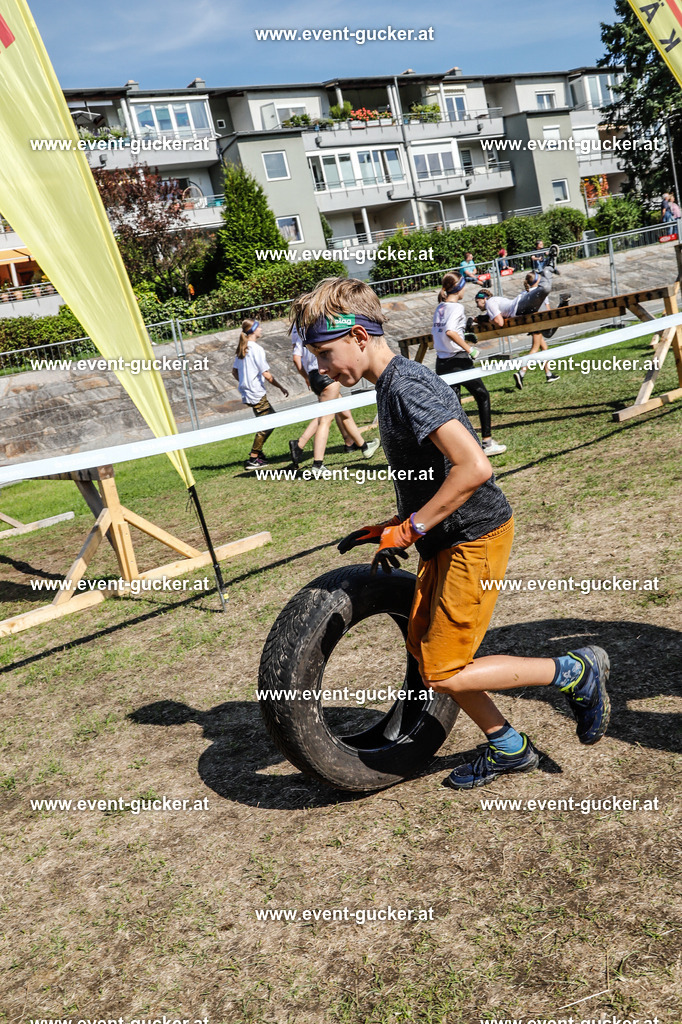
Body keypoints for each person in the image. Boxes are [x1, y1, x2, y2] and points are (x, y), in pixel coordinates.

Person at [292, 276, 611, 789]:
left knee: (442, 671)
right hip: (444, 539)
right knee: (427, 652)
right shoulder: (388, 386)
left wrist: (414, 525)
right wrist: (400, 527)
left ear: (357, 336)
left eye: (326, 354)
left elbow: (473, 467)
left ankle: (572, 671)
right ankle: (509, 747)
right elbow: (434, 474)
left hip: (474, 538)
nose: (322, 369)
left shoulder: (408, 385)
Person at [288, 324, 380, 477]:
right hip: (326, 376)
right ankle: (317, 463)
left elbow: (296, 358)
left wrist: (306, 377)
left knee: (344, 412)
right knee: (325, 419)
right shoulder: (322, 326)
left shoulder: (300, 332)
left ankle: (364, 446)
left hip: (313, 376)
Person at [432, 273, 506, 456]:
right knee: (482, 396)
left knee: (453, 408)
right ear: (459, 288)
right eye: (464, 286)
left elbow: (444, 332)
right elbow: (450, 331)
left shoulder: (440, 307)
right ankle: (487, 443)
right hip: (458, 360)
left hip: (441, 362)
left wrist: (463, 337)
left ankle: (456, 450)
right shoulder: (456, 307)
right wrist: (469, 349)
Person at [232, 319, 289, 472]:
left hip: (248, 392)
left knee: (265, 420)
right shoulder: (256, 349)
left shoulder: (243, 348)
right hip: (256, 393)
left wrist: (245, 382)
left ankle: (259, 453)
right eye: (259, 327)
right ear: (253, 331)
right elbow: (266, 374)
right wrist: (281, 387)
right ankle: (254, 457)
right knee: (268, 423)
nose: (262, 329)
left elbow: (234, 371)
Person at [511, 271, 562, 389]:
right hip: (539, 323)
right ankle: (521, 372)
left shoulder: (524, 293)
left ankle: (548, 374)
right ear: (538, 280)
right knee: (535, 348)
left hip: (531, 323)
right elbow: (547, 310)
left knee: (544, 348)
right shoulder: (541, 293)